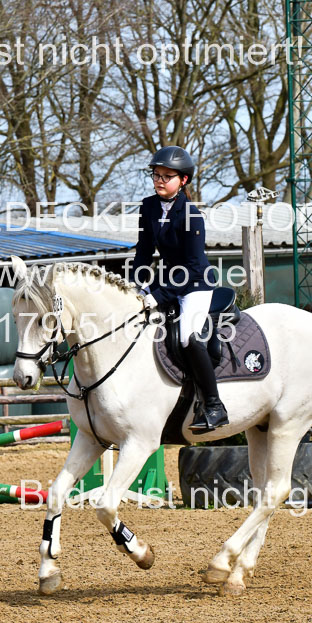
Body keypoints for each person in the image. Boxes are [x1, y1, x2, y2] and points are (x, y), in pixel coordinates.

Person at [127, 146, 229, 432]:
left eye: (167, 176)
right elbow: (144, 252)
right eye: (156, 175)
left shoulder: (192, 215)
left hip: (195, 285)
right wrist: (140, 285)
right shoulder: (148, 207)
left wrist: (158, 296)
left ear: (183, 181)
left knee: (188, 337)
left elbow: (194, 268)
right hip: (168, 280)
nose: (159, 180)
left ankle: (214, 405)